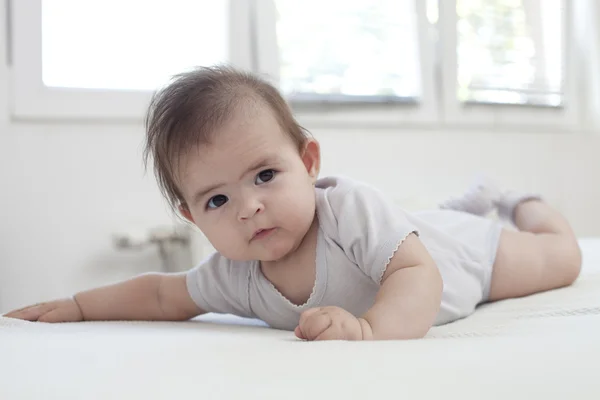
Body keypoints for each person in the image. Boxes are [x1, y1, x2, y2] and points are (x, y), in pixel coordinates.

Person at [3, 66, 582, 341]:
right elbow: (160, 293)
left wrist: (369, 332)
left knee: (562, 258)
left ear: (308, 164)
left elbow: (415, 271)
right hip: (413, 229)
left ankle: (513, 200)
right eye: (218, 199)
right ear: (192, 219)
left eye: (265, 175)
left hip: (462, 258)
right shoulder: (234, 273)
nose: (248, 207)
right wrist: (78, 306)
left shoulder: (347, 208)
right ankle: (464, 202)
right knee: (423, 221)